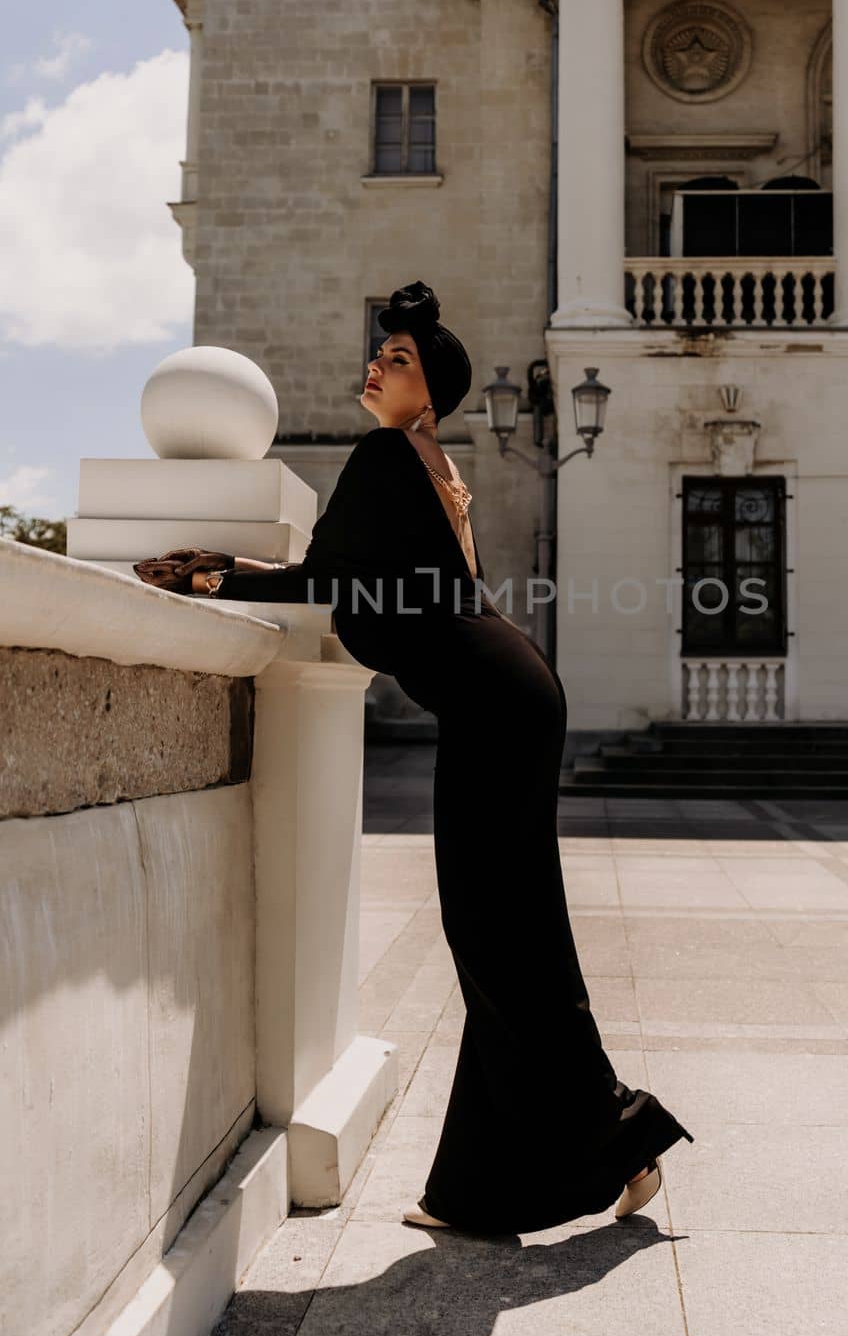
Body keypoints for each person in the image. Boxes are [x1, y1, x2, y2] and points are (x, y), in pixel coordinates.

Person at [134, 280, 694, 1235]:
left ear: (428, 390)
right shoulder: (430, 463)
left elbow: (319, 578)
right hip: (508, 693)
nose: (375, 367)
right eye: (380, 354)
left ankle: (616, 1138)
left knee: (499, 938)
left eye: (395, 360)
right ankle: (480, 1189)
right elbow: (346, 577)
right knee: (503, 934)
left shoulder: (386, 453)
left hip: (494, 703)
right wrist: (218, 569)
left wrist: (213, 570)